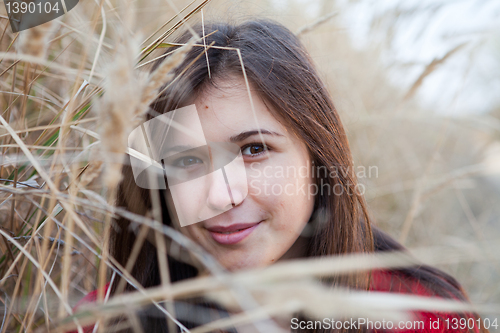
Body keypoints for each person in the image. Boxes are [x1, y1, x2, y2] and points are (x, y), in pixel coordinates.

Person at [78, 19, 486, 333]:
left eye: (254, 150)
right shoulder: (102, 322)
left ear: (318, 159)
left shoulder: (421, 316)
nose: (222, 196)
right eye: (186, 161)